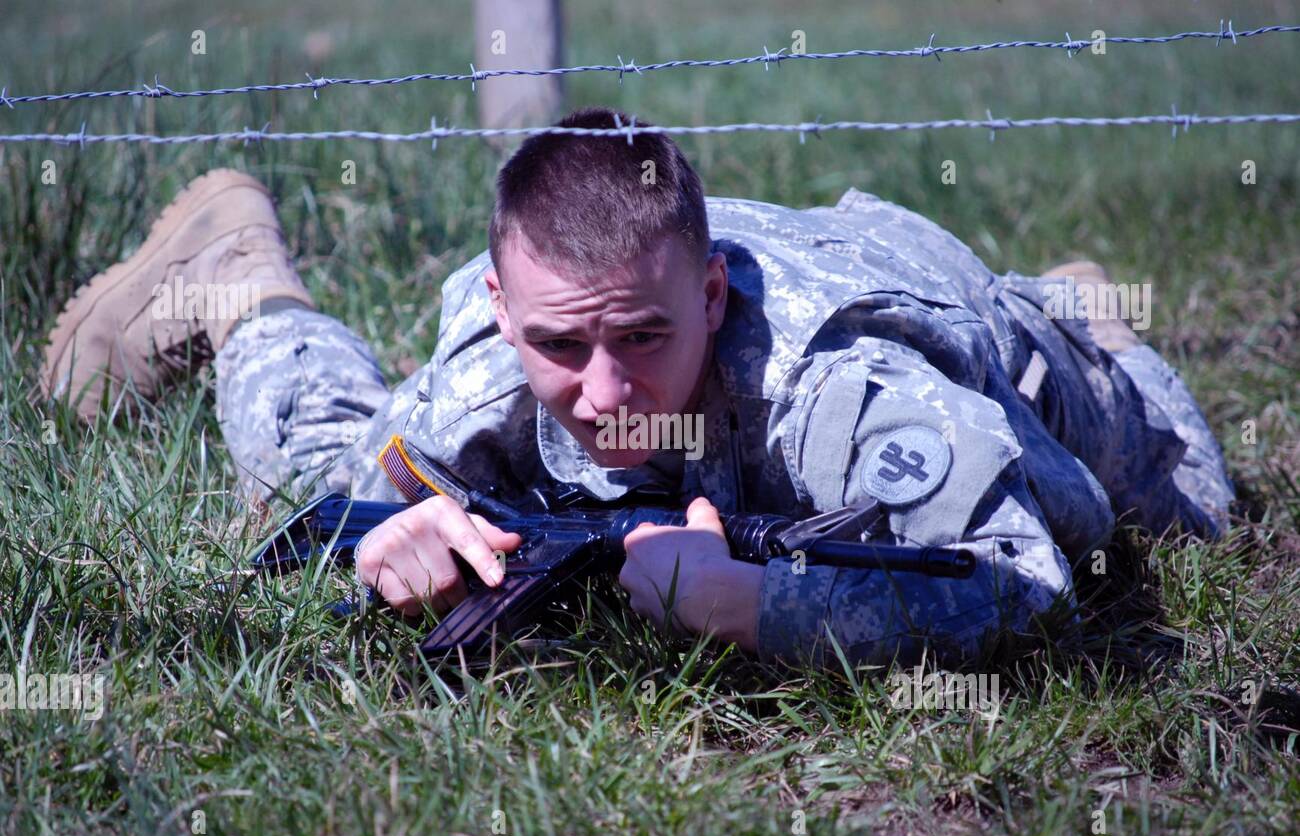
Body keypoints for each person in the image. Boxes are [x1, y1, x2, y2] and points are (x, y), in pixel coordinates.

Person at [41, 107, 1235, 668]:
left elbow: (1024, 587)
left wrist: (748, 606)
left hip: (989, 341)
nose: (606, 391)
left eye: (642, 339)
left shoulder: (837, 391)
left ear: (710, 299)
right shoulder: (485, 388)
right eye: (561, 346)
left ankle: (1074, 310)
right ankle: (242, 280)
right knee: (319, 471)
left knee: (1187, 510)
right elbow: (328, 494)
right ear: (500, 314)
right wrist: (386, 541)